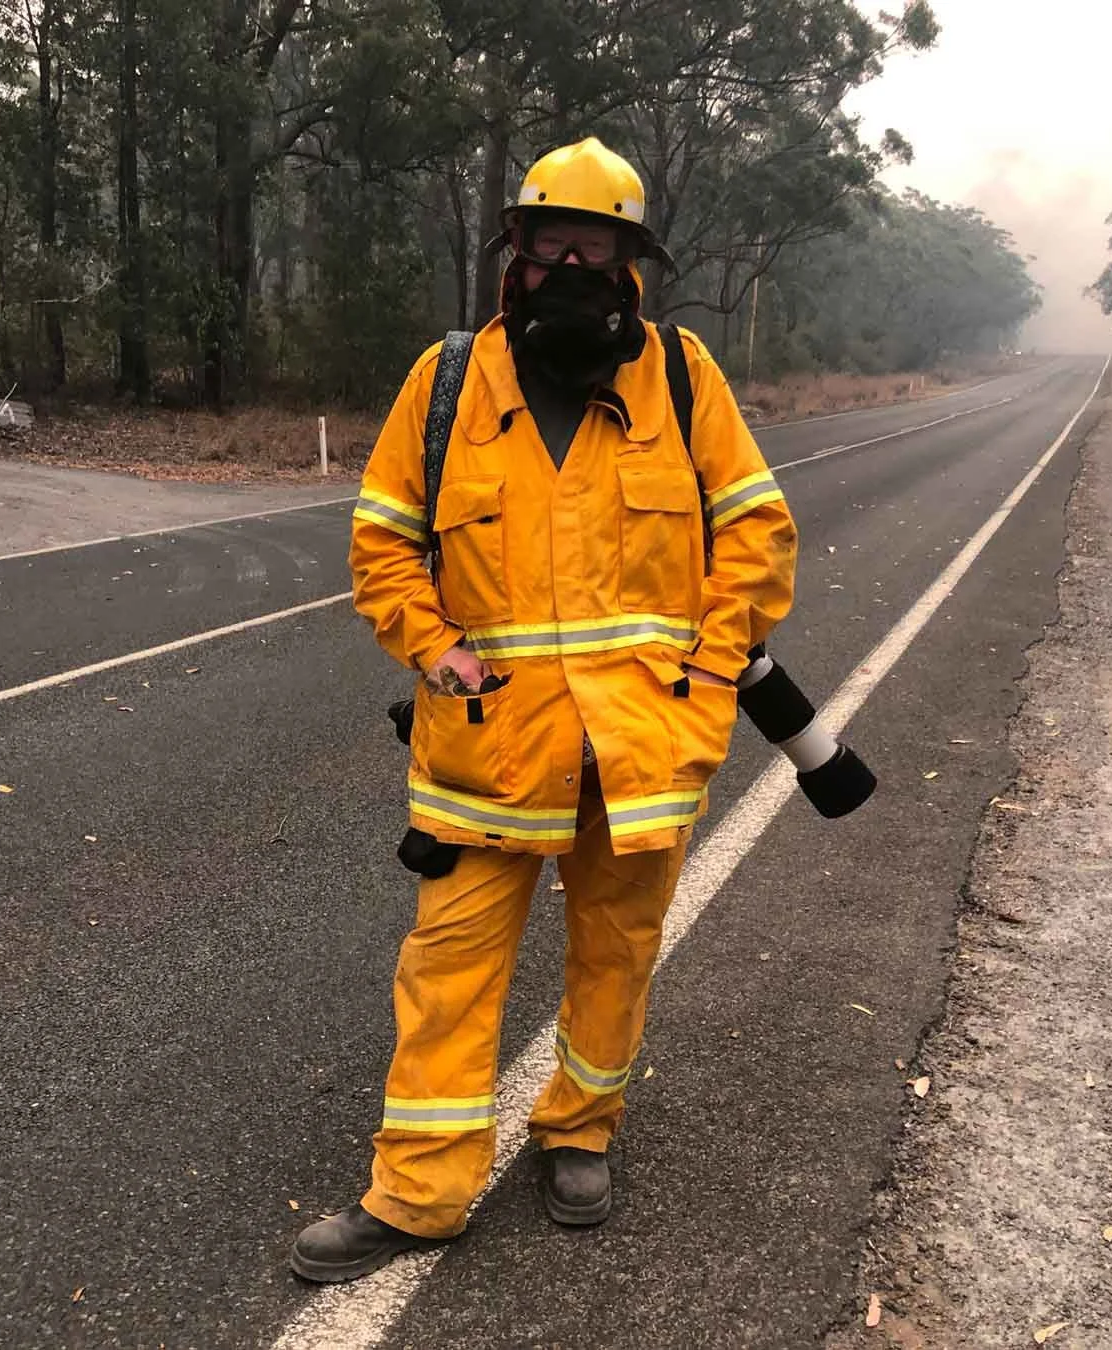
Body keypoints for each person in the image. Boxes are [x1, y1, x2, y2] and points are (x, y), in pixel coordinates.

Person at [290, 137, 798, 1283]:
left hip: (642, 748)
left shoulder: (680, 378)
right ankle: (419, 1192)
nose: (572, 262)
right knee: (449, 965)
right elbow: (382, 542)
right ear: (512, 257)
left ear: (633, 265)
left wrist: (713, 672)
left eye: (598, 244)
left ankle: (579, 1131)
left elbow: (758, 533)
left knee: (616, 952)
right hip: (488, 752)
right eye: (550, 241)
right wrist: (436, 651)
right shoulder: (445, 382)